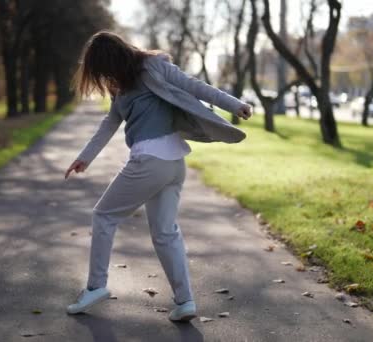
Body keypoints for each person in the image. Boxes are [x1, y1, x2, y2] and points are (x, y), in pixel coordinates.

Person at [64, 31, 252, 322]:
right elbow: (110, 123)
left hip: (150, 161)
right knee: (165, 233)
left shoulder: (153, 66)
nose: (103, 77)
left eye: (102, 69)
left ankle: (96, 286)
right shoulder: (120, 86)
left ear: (112, 60)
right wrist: (85, 157)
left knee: (104, 215)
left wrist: (234, 104)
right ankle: (185, 301)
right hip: (173, 163)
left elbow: (194, 86)